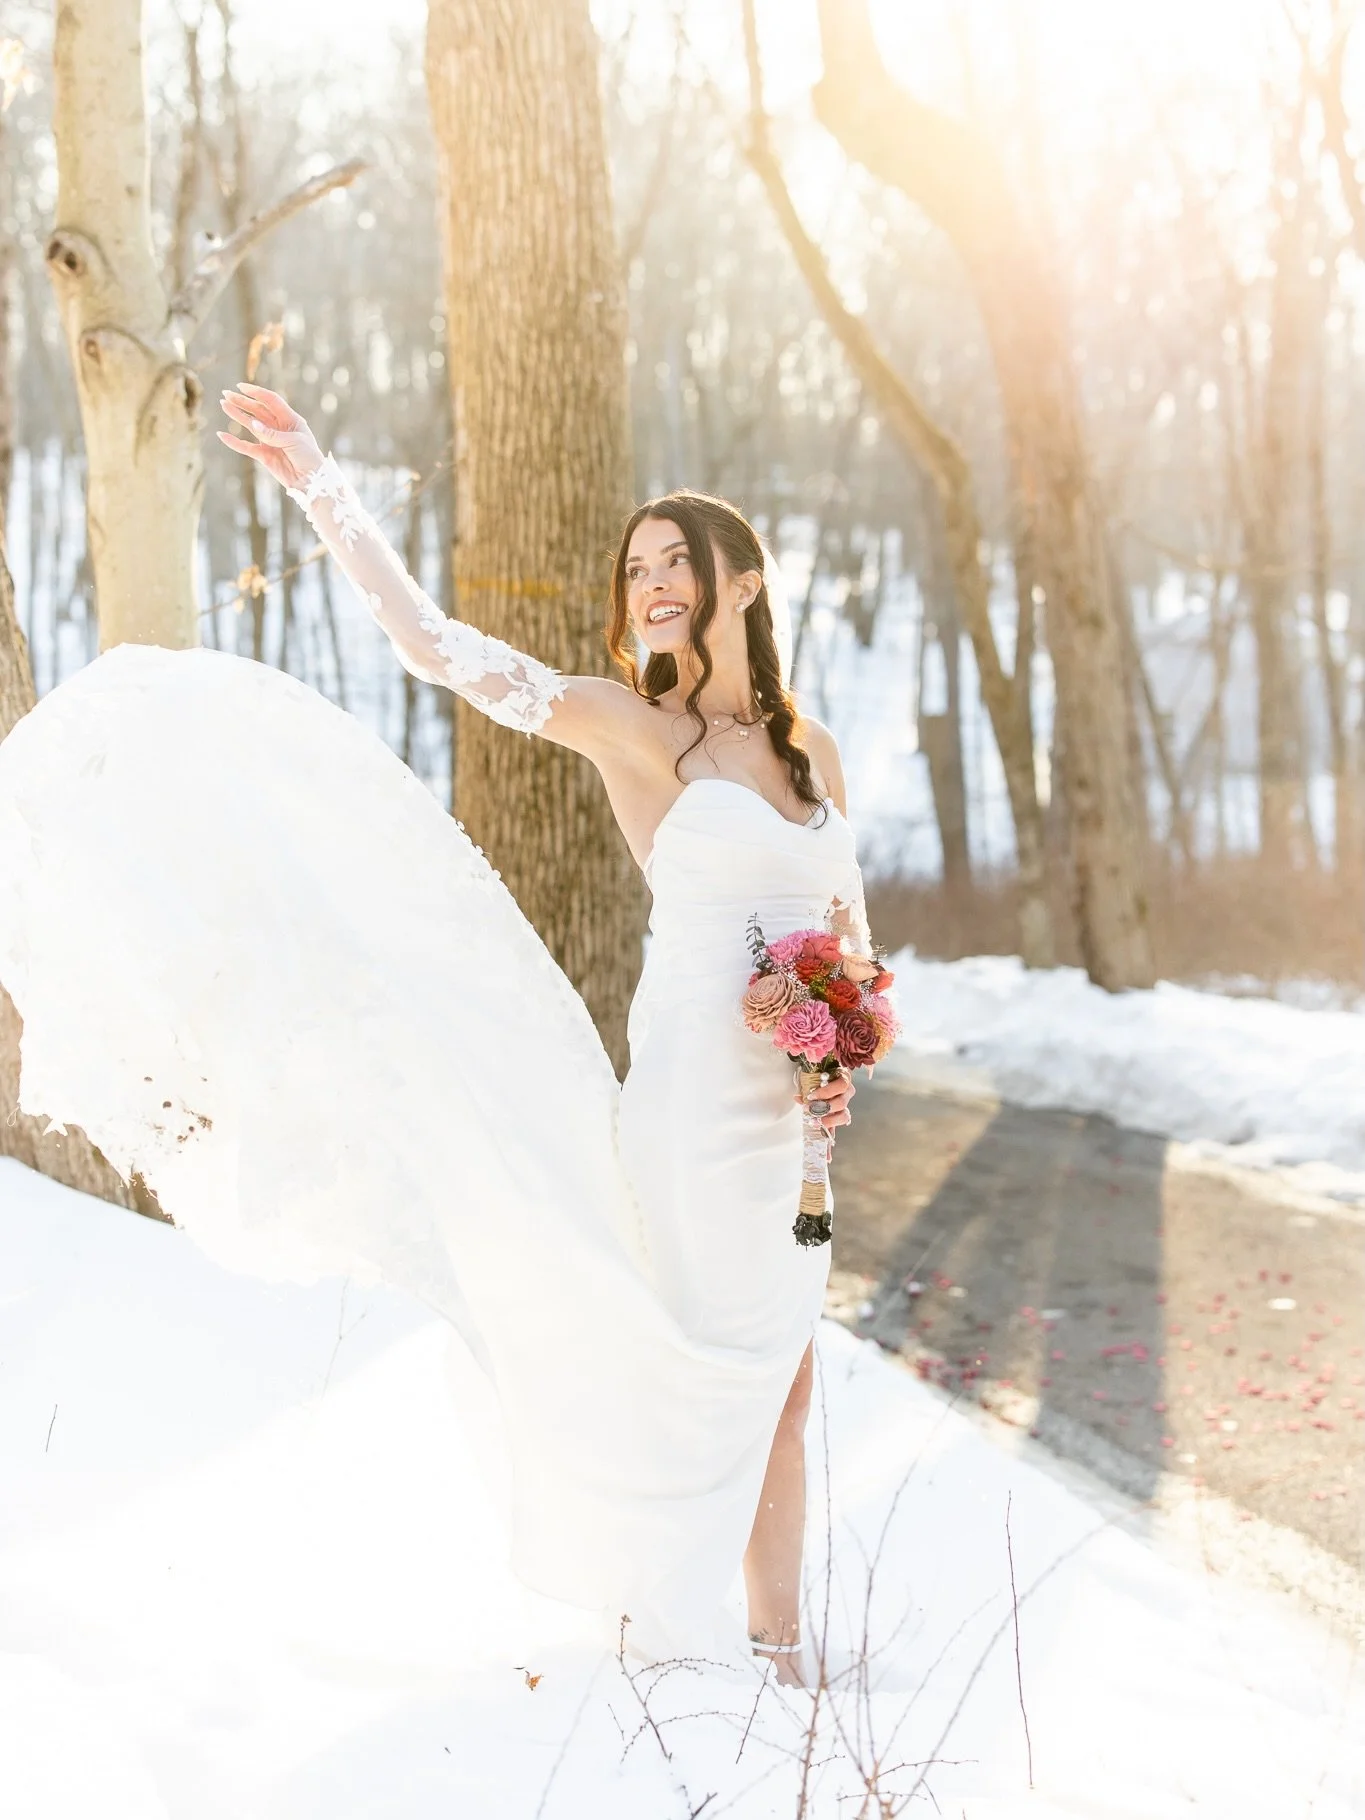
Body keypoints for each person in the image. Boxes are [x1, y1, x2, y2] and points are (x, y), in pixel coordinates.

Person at [0, 383, 879, 1688]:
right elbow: (431, 645)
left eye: (672, 561)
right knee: (704, 1370)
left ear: (741, 580)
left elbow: (849, 930)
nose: (648, 583)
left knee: (791, 1384)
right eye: (634, 565)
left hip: (792, 1133)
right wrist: (321, 487)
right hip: (694, 1112)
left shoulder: (808, 754)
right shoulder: (636, 731)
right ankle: (671, 1620)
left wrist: (844, 1032)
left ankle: (786, 1649)